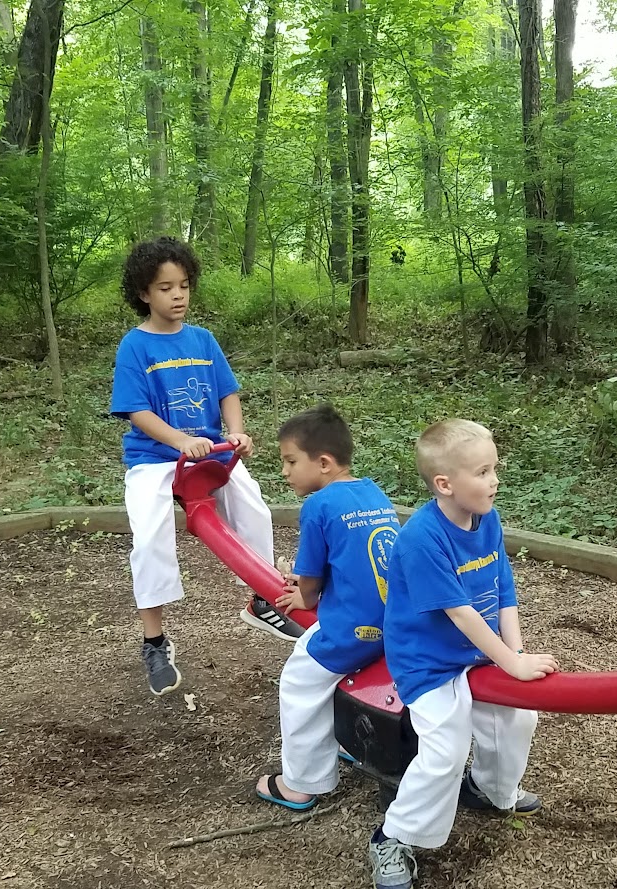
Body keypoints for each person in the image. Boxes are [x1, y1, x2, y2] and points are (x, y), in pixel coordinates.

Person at [367, 420, 559, 889]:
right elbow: (462, 615)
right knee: (446, 750)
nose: (494, 480)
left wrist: (514, 652)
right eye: (482, 471)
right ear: (445, 484)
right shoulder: (421, 540)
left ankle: (490, 790)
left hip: (478, 652)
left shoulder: (486, 516)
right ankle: (392, 837)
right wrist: (511, 663)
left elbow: (504, 588)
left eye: (494, 468)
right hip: (428, 660)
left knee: (519, 715)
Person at [109, 236, 296, 697]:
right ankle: (154, 640)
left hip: (211, 452)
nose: (178, 295)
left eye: (184, 285)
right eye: (166, 287)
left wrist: (234, 434)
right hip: (154, 459)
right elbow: (137, 411)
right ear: (143, 294)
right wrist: (180, 442)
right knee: (151, 533)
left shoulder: (203, 340)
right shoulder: (135, 347)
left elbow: (227, 394)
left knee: (253, 506)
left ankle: (262, 597)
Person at [253, 404, 399, 810]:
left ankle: (302, 782)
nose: (285, 472)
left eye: (290, 461)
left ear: (323, 462)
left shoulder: (317, 506)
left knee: (299, 683)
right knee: (334, 681)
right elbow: (360, 556)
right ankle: (345, 740)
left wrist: (304, 596)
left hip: (350, 631)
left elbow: (312, 582)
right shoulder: (373, 492)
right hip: (392, 624)